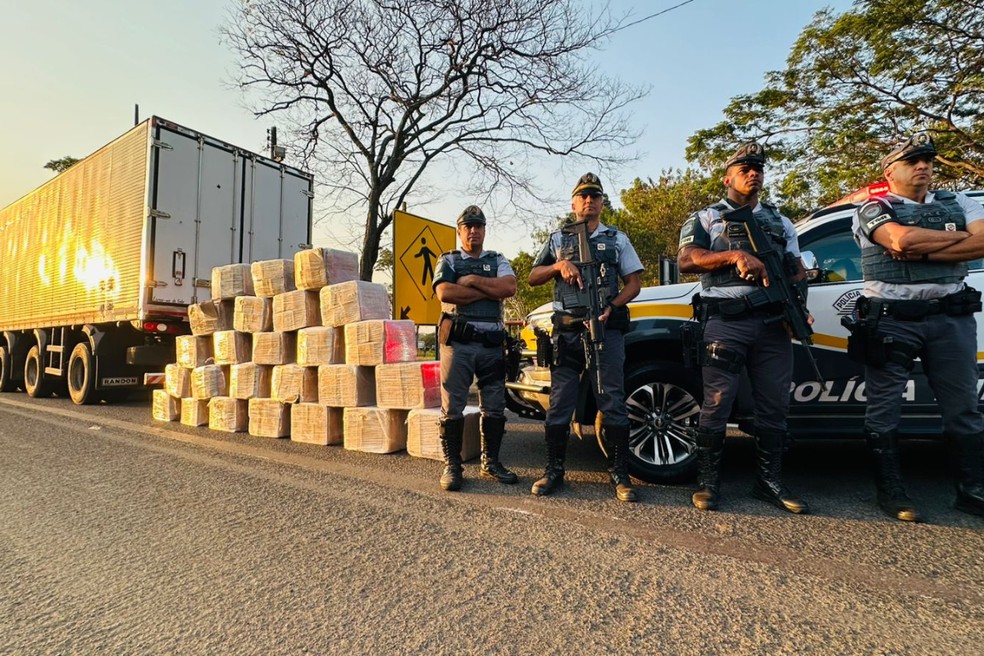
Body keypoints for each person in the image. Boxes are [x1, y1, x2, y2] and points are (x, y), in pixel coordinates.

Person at [850, 132, 984, 521]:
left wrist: (929, 244)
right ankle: (892, 492)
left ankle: (971, 489)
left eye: (927, 159)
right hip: (893, 319)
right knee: (885, 408)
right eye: (912, 161)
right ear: (890, 171)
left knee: (963, 407)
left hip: (950, 317)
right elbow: (900, 240)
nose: (923, 165)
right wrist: (957, 238)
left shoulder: (957, 201)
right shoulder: (872, 207)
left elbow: (979, 242)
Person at [677, 142, 810, 514]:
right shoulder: (706, 218)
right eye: (745, 167)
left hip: (773, 324)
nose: (753, 173)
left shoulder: (781, 222)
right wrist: (733, 254)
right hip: (727, 321)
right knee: (717, 402)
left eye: (758, 168)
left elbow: (796, 269)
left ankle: (769, 483)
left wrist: (798, 308)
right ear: (728, 176)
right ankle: (708, 483)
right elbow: (687, 259)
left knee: (774, 404)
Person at [528, 173, 643, 501]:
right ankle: (554, 470)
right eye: (583, 196)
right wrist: (558, 265)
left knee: (612, 401)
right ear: (574, 203)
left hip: (605, 330)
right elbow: (534, 276)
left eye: (596, 196)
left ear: (602, 203)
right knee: (560, 404)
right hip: (566, 333)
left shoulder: (617, 239)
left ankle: (620, 474)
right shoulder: (557, 239)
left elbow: (633, 284)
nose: (589, 201)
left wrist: (612, 306)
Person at [432, 205, 518, 491]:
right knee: (452, 406)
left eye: (478, 226)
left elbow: (508, 288)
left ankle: (490, 463)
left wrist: (470, 281)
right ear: (459, 231)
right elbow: (445, 291)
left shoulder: (498, 259)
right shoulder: (449, 260)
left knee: (494, 406)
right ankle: (452, 466)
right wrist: (487, 288)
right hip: (459, 343)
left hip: (492, 345)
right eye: (467, 226)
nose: (473, 230)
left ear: (484, 230)